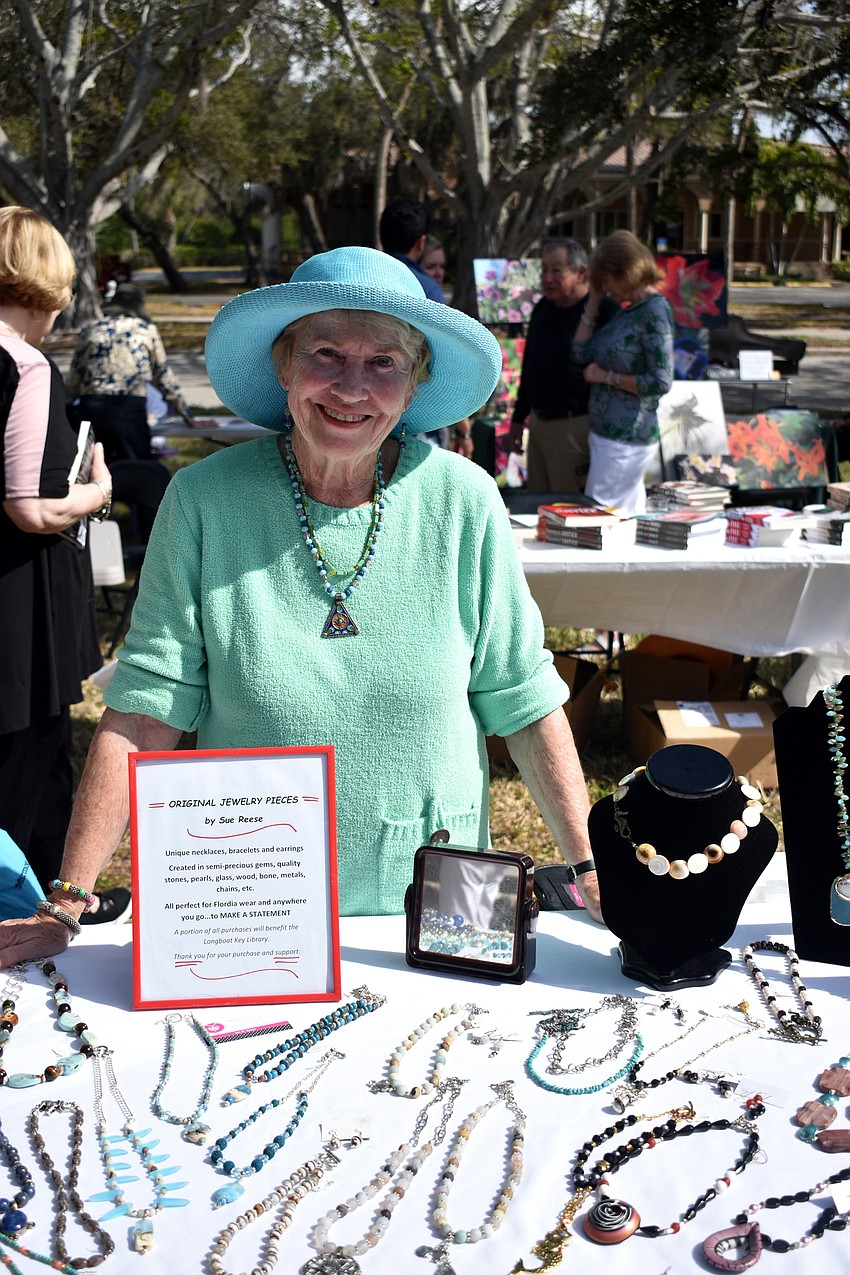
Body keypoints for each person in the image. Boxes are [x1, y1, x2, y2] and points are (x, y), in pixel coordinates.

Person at [0, 245, 602, 966]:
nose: (352, 387)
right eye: (326, 354)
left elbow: (524, 698)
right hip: (249, 913)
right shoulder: (204, 501)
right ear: (284, 368)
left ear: (414, 388)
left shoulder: (463, 500)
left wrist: (592, 870)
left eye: (384, 363)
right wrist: (67, 902)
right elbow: (141, 710)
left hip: (443, 905)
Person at [0, 206, 130, 925]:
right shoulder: (23, 364)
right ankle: (30, 901)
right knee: (30, 752)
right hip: (19, 600)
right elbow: (29, 505)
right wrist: (97, 491)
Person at [571, 230, 675, 514]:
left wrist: (607, 378)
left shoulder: (654, 311)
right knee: (624, 518)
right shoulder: (630, 311)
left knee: (598, 516)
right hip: (610, 436)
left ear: (622, 271)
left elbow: (661, 380)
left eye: (605, 279)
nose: (604, 287)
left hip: (625, 437)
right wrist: (592, 301)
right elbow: (579, 353)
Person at [507, 239, 619, 493]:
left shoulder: (603, 312)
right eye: (544, 270)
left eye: (557, 270)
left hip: (574, 426)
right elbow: (530, 367)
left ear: (581, 273)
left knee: (568, 510)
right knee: (537, 509)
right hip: (538, 423)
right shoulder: (542, 309)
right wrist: (518, 418)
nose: (548, 278)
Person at [65, 282, 197, 463]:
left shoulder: (90, 330)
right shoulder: (145, 330)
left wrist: (64, 409)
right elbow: (163, 376)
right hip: (129, 408)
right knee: (135, 471)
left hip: (92, 407)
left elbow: (74, 379)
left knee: (92, 470)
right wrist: (187, 416)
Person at [420, 234, 474, 458]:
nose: (439, 273)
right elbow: (446, 377)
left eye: (442, 266)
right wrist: (465, 431)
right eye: (431, 266)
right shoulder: (428, 311)